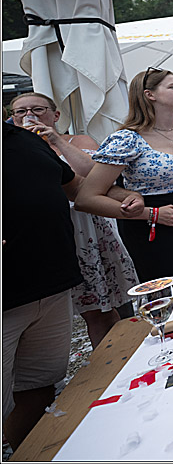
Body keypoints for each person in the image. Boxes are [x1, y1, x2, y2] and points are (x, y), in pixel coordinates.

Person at [2, 123, 142, 450]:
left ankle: (28, 453)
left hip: (52, 287)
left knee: (40, 386)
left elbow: (77, 187)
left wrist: (129, 197)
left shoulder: (23, 139)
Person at [76, 68, 173, 294]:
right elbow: (86, 198)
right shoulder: (128, 139)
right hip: (150, 225)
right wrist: (151, 213)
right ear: (150, 95)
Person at [9, 93, 139, 350]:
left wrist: (55, 140)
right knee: (74, 311)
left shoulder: (78, 140)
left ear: (56, 115)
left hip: (88, 228)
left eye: (37, 109)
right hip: (51, 234)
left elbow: (95, 176)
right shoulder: (14, 149)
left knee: (108, 304)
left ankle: (124, 356)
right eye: (20, 112)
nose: (29, 116)